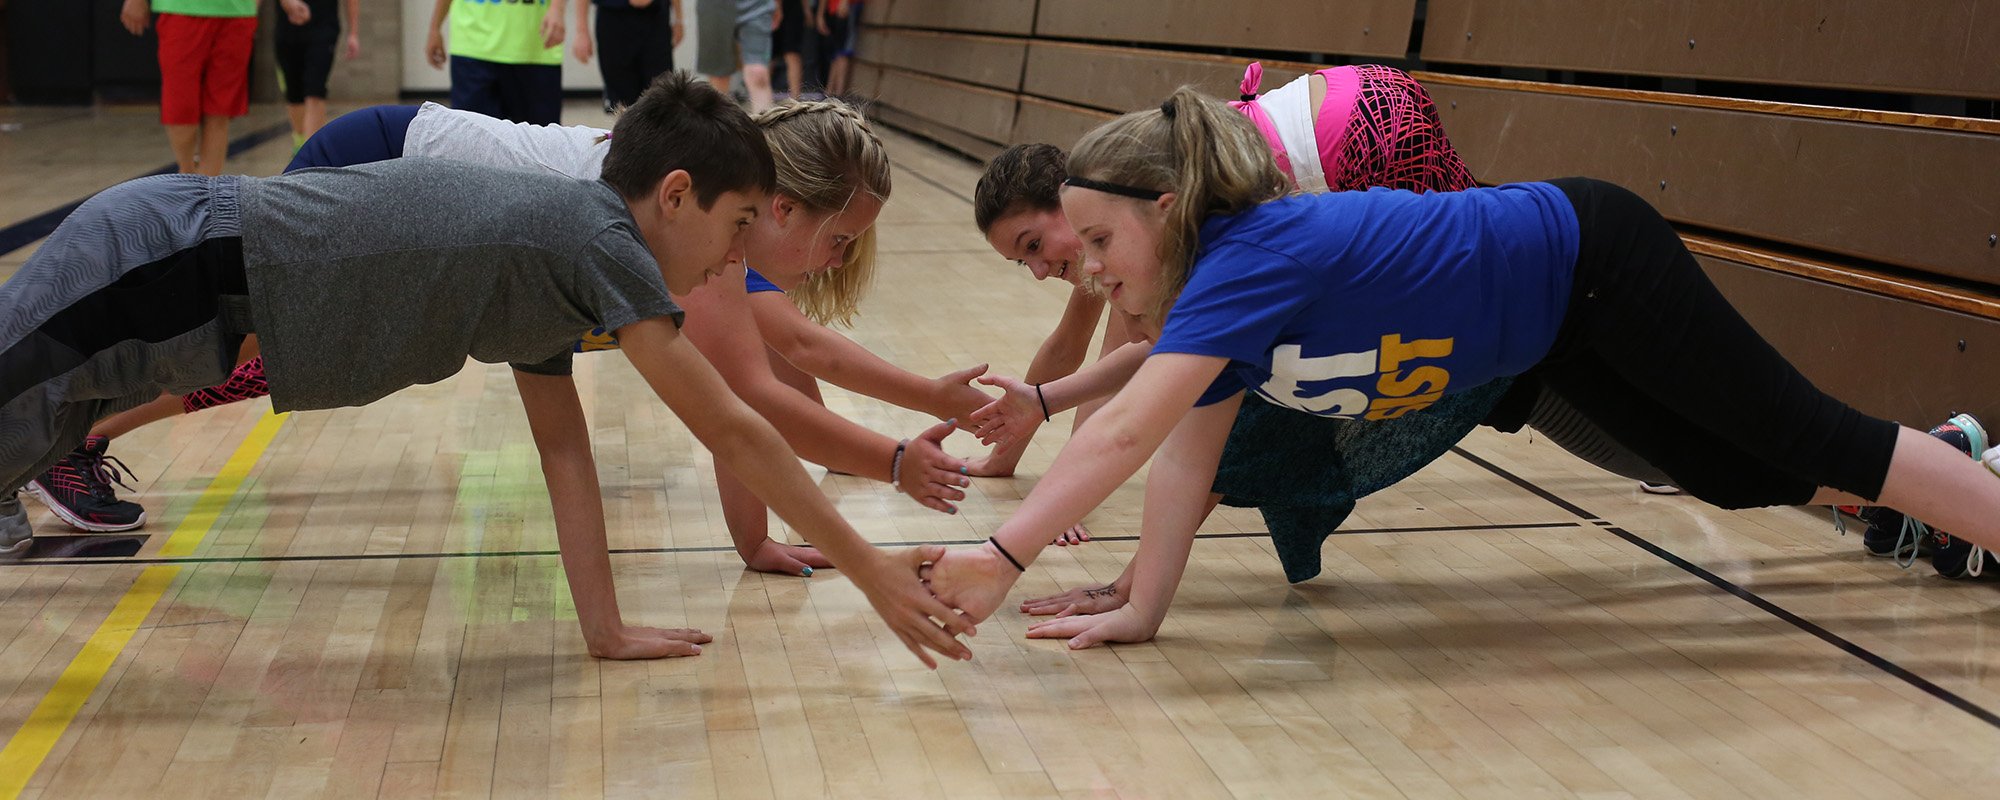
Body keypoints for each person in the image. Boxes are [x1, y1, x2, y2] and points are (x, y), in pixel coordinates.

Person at [922, 86, 2000, 649]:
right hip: (1547, 337)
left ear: (1167, 210)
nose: (1089, 271)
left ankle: (1957, 482)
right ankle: (1947, 473)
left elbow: (1119, 434)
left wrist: (998, 554)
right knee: (1725, 472)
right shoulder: (1211, 298)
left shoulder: (1247, 256)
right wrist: (1140, 603)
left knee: (1804, 435)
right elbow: (1176, 461)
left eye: (1099, 244)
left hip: (1595, 262)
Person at [0, 75, 974, 667]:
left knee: (24, 448)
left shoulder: (555, 271)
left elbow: (564, 448)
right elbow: (733, 420)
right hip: (172, 259)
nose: (735, 262)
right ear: (676, 196)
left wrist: (605, 627)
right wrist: (868, 563)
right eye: (731, 232)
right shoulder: (594, 239)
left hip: (202, 296)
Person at [972, 64, 1675, 556]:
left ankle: (1663, 426)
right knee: (1466, 369)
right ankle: (1660, 436)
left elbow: (1135, 401)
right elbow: (1089, 352)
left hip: (1363, 134)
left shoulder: (1133, 227)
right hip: (1359, 105)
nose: (1040, 270)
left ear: (1066, 194)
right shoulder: (1115, 219)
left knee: (1490, 369)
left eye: (1036, 245)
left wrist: (1058, 499)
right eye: (1021, 261)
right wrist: (1033, 417)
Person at [119, 0, 259, 175]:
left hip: (237, 12)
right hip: (181, 10)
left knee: (220, 109)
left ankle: (207, 189)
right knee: (181, 106)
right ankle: (187, 172)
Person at [426, 0, 566, 125]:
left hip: (533, 46)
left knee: (539, 145)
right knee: (471, 142)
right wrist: (435, 28)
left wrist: (557, 8)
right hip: (472, 45)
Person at [272, 0, 361, 150]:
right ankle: (300, 142)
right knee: (294, 94)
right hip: (287, 26)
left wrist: (353, 33)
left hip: (323, 27)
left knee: (315, 91)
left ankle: (311, 152)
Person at [572, 0, 683, 112]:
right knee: (621, 101)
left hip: (655, 17)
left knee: (662, 95)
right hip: (614, 19)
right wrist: (581, 31)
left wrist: (678, 19)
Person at [697, 0, 777, 111]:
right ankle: (721, 125)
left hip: (757, 5)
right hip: (715, 6)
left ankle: (766, 125)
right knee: (719, 78)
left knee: (758, 73)